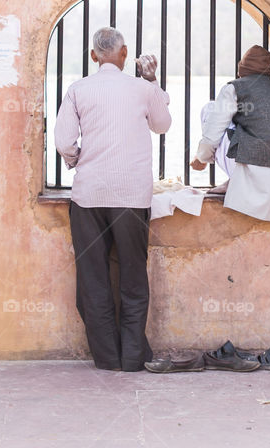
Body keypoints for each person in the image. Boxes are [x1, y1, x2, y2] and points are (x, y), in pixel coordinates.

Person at [54, 27, 171, 371]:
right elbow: (163, 126)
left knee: (93, 277)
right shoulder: (141, 88)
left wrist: (78, 161)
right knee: (134, 276)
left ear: (94, 56)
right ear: (124, 55)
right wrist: (152, 82)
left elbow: (63, 143)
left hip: (88, 196)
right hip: (132, 197)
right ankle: (133, 357)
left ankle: (106, 358)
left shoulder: (78, 90)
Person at [190, 45, 270, 222]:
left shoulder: (235, 88)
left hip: (253, 176)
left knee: (211, 109)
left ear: (241, 68)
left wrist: (201, 158)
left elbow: (213, 133)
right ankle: (233, 180)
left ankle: (233, 180)